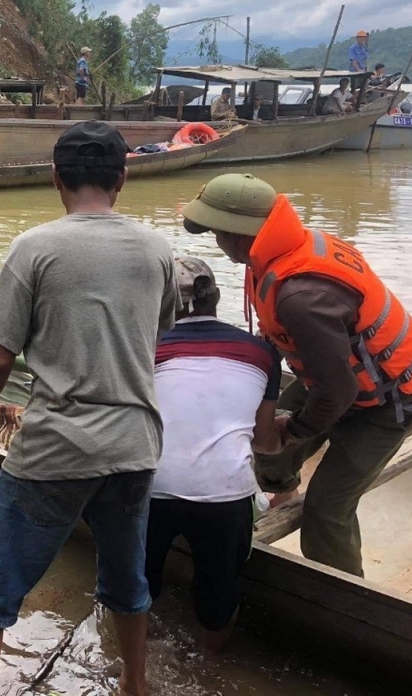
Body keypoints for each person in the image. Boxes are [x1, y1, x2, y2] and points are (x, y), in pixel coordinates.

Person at [0, 121, 177, 696]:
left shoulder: (35, 248)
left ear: (55, 178)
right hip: (135, 445)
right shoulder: (157, 249)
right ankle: (135, 687)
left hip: (57, 447)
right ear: (122, 179)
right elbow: (156, 337)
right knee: (127, 582)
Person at [181, 173, 412, 577]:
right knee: (262, 442)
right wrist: (268, 421)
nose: (215, 240)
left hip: (390, 401)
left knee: (327, 509)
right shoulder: (279, 251)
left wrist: (293, 429)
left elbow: (338, 390)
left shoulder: (302, 297)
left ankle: (347, 596)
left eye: (216, 231)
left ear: (236, 235)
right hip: (337, 377)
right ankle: (283, 492)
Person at [144, 256, 280, 652]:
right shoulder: (263, 353)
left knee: (134, 584)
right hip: (224, 494)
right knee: (219, 597)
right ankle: (209, 663)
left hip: (153, 486)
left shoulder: (144, 349)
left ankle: (133, 665)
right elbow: (263, 440)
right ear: (215, 298)